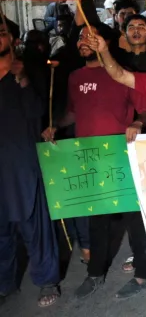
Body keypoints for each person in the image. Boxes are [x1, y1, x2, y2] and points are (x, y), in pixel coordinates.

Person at [44, 27, 146, 300]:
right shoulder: (74, 77)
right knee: (97, 220)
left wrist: (138, 122)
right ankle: (95, 274)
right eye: (80, 37)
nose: (82, 41)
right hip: (89, 157)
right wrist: (55, 126)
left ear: (103, 42)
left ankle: (143, 274)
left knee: (134, 218)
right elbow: (73, 112)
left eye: (89, 37)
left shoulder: (121, 73)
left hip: (120, 154)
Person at [0, 23, 61, 308]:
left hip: (22, 163)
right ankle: (5, 283)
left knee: (33, 224)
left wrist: (22, 78)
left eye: (1, 32)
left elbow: (39, 112)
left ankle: (46, 279)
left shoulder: (29, 71)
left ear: (12, 38)